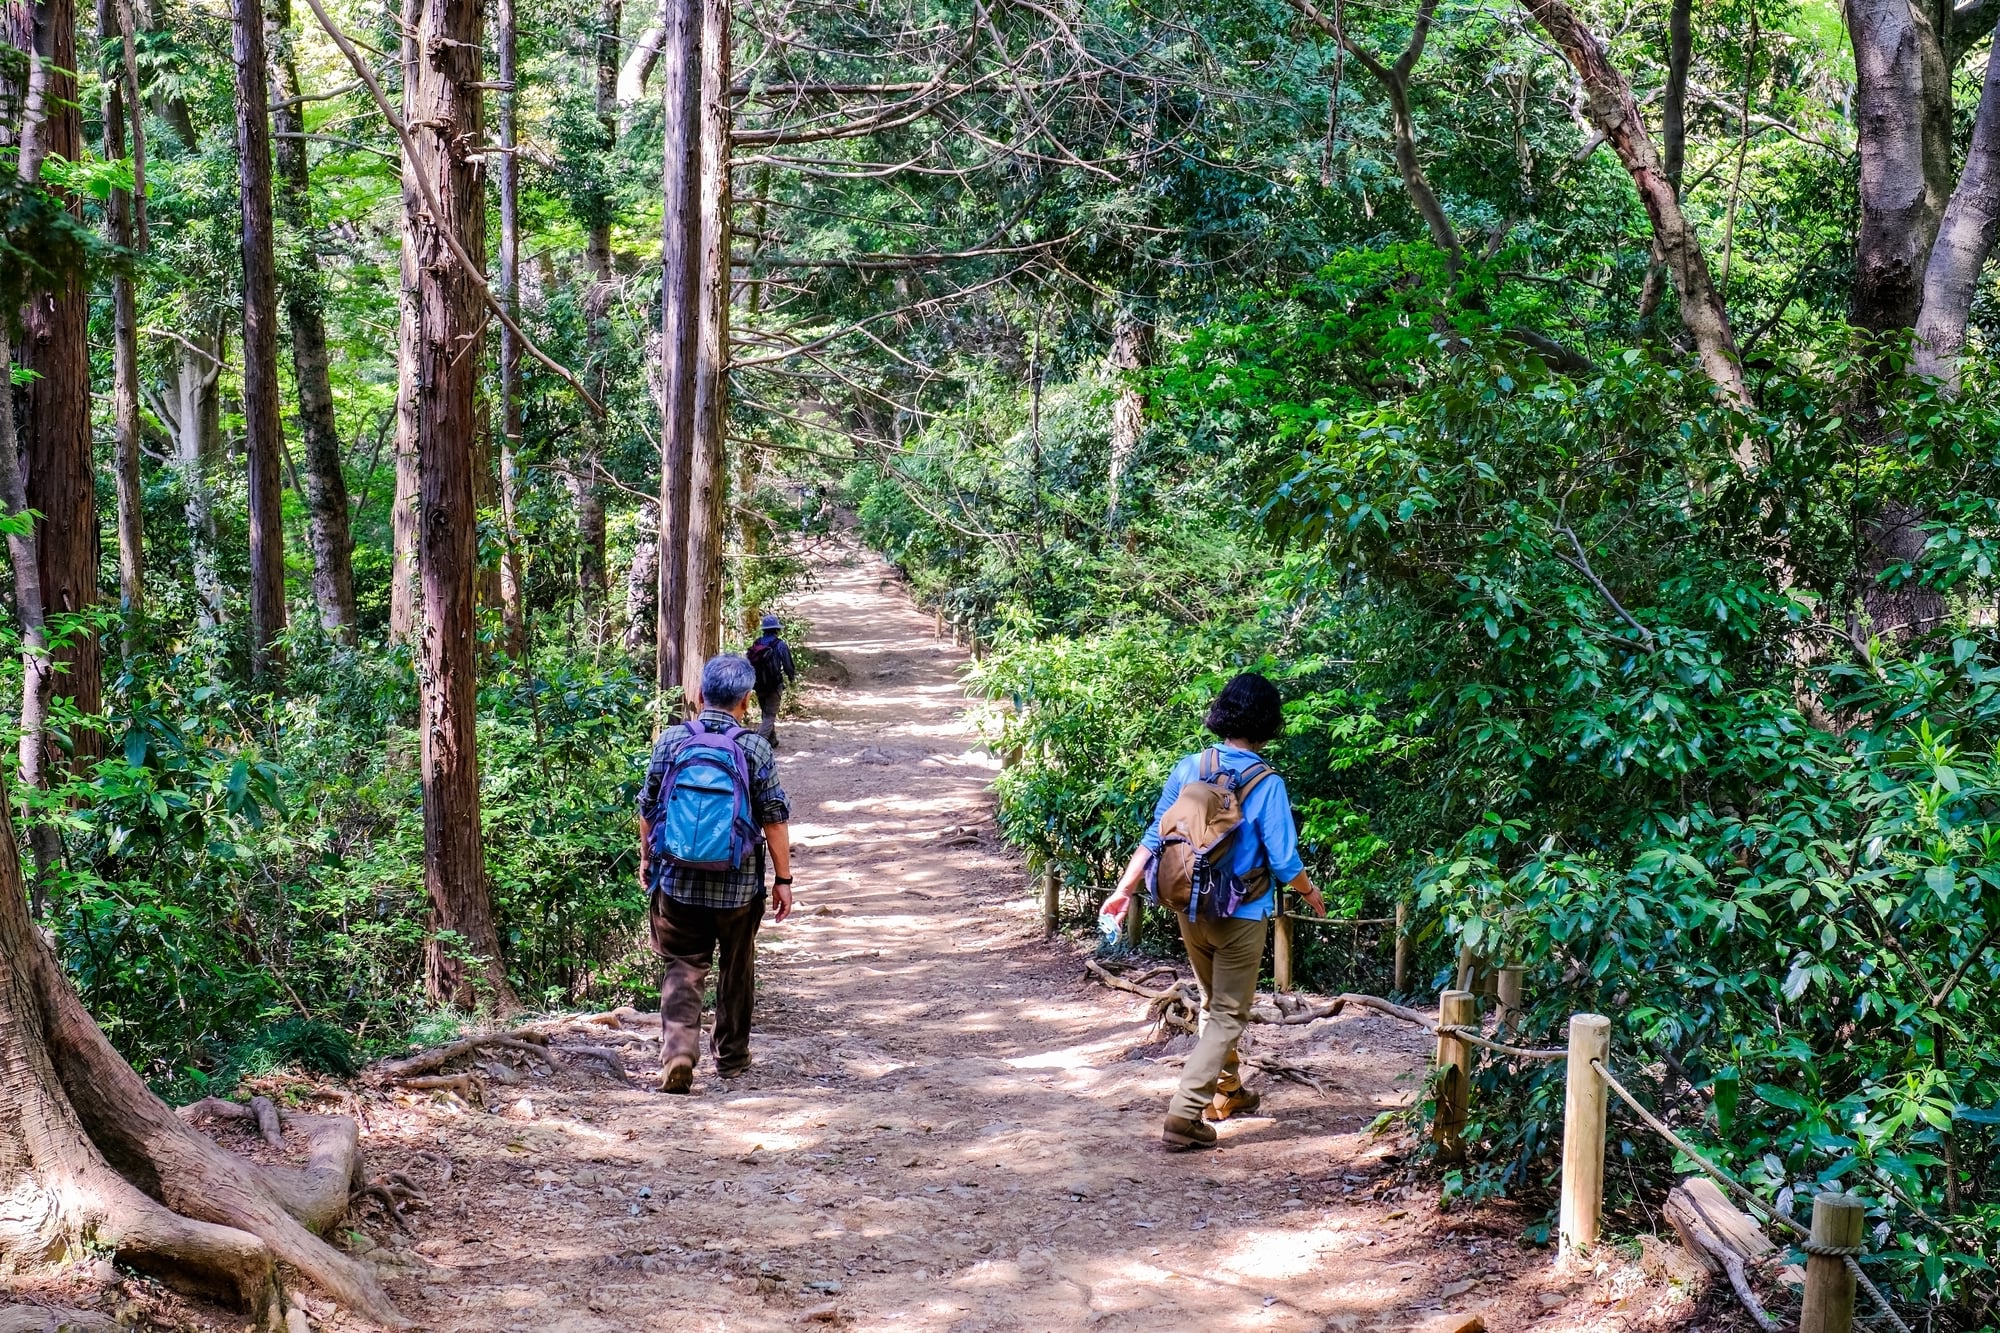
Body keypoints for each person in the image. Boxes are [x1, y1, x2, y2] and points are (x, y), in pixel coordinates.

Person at [1102, 672, 1326, 1152]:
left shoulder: (1190, 767)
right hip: (1241, 913)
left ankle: (1226, 1093)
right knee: (1228, 1012)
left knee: (1211, 1004)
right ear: (1269, 721)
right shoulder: (1267, 782)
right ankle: (1184, 1113)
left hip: (1189, 907)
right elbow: (1284, 860)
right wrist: (1310, 894)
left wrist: (1125, 889)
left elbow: (1154, 835)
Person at [638, 654, 795, 1092]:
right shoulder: (755, 747)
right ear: (746, 701)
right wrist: (783, 879)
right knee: (737, 968)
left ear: (700, 695)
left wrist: (647, 858)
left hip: (677, 881)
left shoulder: (671, 741)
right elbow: (774, 818)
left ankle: (679, 1054)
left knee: (682, 966)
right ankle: (731, 1057)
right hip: (738, 886)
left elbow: (648, 806)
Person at [747, 614, 797, 745]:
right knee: (770, 715)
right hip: (774, 685)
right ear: (777, 629)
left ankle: (772, 740)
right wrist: (791, 678)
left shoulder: (757, 643)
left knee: (765, 712)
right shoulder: (780, 645)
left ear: (763, 629)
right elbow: (788, 665)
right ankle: (760, 743)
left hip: (758, 684)